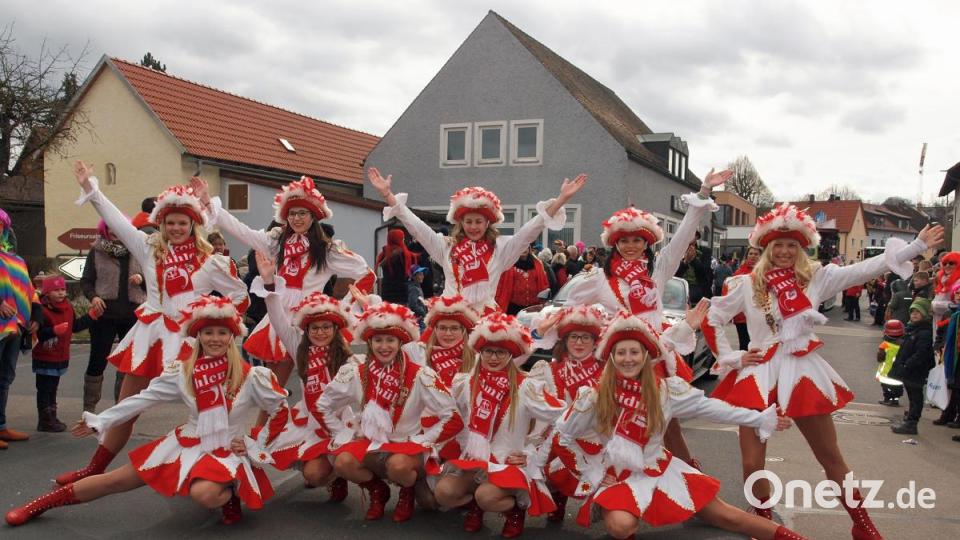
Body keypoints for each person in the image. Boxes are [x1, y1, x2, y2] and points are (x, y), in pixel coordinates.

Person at [704, 203, 942, 538]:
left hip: (802, 374)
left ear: (801, 248)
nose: (785, 251)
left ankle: (862, 525)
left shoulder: (816, 277)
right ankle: (762, 519)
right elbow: (712, 317)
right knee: (751, 464)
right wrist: (732, 357)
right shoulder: (745, 284)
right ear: (766, 248)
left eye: (792, 245)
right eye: (778, 245)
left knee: (830, 457)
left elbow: (864, 270)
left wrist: (916, 246)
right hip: (758, 376)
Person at [5, 295, 290, 527]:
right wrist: (102, 420)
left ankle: (228, 494)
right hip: (186, 443)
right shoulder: (183, 373)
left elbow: (280, 411)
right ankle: (37, 506)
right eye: (208, 332)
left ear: (232, 337)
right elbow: (142, 399)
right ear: (198, 336)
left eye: (222, 332)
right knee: (115, 480)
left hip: (228, 449)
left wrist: (254, 444)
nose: (215, 338)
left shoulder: (253, 377)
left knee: (205, 494)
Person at [55, 161, 249, 485]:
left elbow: (240, 296)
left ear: (193, 224)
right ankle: (94, 469)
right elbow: (116, 219)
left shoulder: (210, 261)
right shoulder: (148, 249)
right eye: (170, 222)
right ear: (161, 223)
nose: (176, 228)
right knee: (127, 406)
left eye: (182, 222)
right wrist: (92, 190)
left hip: (190, 341)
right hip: (149, 335)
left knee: (207, 406)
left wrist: (213, 321)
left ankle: (219, 470)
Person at [556, 311, 800, 540]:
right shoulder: (596, 395)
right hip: (618, 477)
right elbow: (563, 436)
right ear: (611, 357)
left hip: (659, 469)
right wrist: (593, 475)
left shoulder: (665, 391)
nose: (628, 359)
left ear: (646, 356)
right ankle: (627, 507)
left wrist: (760, 418)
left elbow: (714, 409)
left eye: (634, 352)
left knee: (727, 516)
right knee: (620, 526)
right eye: (621, 353)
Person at [560, 168, 732, 467]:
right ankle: (610, 481)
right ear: (614, 244)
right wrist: (594, 328)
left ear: (646, 243)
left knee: (667, 421)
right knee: (612, 421)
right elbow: (570, 308)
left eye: (637, 240)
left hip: (653, 359)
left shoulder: (658, 270)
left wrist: (703, 193)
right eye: (624, 241)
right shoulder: (600, 279)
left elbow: (681, 238)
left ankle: (685, 472)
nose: (630, 246)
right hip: (619, 361)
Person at [190, 175, 375, 386]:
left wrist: (343, 309)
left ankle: (318, 416)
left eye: (302, 213)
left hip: (310, 321)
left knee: (321, 382)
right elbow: (243, 232)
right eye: (292, 214)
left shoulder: (327, 250)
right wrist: (206, 202)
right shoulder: (278, 242)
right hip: (279, 316)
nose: (297, 218)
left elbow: (365, 272)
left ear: (313, 215)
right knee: (274, 384)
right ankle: (268, 419)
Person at [368, 167, 587, 312]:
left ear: (488, 223)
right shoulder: (446, 247)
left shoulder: (501, 249)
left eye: (478, 221)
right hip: (450, 319)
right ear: (460, 222)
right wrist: (388, 196)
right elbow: (417, 229)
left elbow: (531, 229)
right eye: (468, 221)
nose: (473, 227)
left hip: (484, 320)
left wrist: (561, 199)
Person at [317, 302, 461, 523]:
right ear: (370, 343)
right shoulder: (356, 373)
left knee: (402, 471)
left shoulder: (420, 375)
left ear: (400, 342)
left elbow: (452, 415)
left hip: (407, 447)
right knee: (343, 462)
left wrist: (425, 439)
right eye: (378, 340)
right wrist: (342, 432)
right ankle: (378, 491)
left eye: (390, 340)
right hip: (372, 444)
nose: (384, 346)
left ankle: (407, 490)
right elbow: (323, 405)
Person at [433, 312, 566, 537]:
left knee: (487, 496)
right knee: (443, 493)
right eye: (488, 351)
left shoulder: (525, 386)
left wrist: (531, 452)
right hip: (474, 459)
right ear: (480, 352)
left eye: (501, 352)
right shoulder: (467, 383)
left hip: (506, 461)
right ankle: (475, 504)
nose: (493, 358)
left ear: (511, 354)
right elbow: (449, 412)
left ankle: (514, 510)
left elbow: (561, 417)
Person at [253, 251, 355, 500]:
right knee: (313, 474)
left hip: (342, 421)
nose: (320, 332)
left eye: (326, 327)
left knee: (345, 461)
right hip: (309, 420)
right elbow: (277, 317)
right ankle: (330, 472)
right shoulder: (298, 345)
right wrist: (269, 284)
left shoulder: (347, 355)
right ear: (306, 329)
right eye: (314, 327)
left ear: (335, 328)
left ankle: (344, 472)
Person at [528, 305, 606, 523]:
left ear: (595, 341)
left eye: (585, 337)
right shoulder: (548, 370)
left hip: (597, 438)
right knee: (539, 463)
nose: (579, 343)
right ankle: (557, 497)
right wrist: (539, 333)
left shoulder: (608, 369)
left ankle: (603, 502)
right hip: (559, 438)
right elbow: (514, 356)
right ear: (564, 340)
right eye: (573, 337)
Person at [80, 219, 145, 412]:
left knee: (126, 363)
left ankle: (121, 408)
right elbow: (86, 281)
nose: (116, 231)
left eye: (119, 227)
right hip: (104, 314)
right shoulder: (97, 251)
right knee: (97, 360)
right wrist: (93, 297)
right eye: (111, 228)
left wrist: (141, 279)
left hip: (132, 314)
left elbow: (155, 281)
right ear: (105, 231)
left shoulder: (138, 251)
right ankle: (89, 409)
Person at [32, 275, 99, 431]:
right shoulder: (41, 310)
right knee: (45, 389)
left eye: (63, 289)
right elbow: (37, 334)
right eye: (56, 290)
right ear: (47, 293)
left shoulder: (67, 307)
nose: (61, 293)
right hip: (45, 356)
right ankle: (45, 420)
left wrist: (91, 317)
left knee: (52, 389)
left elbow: (74, 326)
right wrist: (53, 331)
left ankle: (51, 416)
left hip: (60, 357)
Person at [0, 208, 41, 450]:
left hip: (15, 326)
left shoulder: (15, 260)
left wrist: (36, 312)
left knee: (5, 377)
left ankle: (1, 425)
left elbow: (27, 288)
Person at [889, 298, 935, 435]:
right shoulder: (912, 329)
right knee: (912, 396)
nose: (914, 314)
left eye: (918, 312)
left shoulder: (924, 332)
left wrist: (907, 364)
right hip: (909, 370)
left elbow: (921, 353)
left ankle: (912, 423)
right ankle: (910, 420)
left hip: (915, 370)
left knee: (916, 397)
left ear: (924, 314)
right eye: (912, 312)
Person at [494, 246, 551, 315]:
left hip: (534, 307)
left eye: (526, 247)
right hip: (514, 307)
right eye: (521, 247)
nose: (523, 249)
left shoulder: (537, 264)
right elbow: (502, 284)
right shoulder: (509, 264)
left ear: (529, 249)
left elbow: (543, 282)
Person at [725, 246, 761, 350]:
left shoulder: (765, 272)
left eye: (756, 254)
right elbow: (732, 295)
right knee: (744, 345)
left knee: (758, 345)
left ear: (760, 256)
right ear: (746, 256)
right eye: (751, 254)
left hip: (759, 314)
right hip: (742, 317)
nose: (753, 256)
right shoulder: (739, 273)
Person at [377, 228, 418, 305]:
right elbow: (414, 256)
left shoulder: (384, 253)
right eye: (402, 238)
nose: (404, 240)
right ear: (398, 239)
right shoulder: (402, 254)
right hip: (400, 294)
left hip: (386, 292)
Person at [675, 231, 714, 304]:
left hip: (698, 292)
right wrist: (685, 262)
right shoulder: (678, 251)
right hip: (680, 290)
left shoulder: (705, 251)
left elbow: (705, 274)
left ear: (696, 237)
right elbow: (675, 274)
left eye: (691, 235)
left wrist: (693, 260)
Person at [875, 319, 905, 407]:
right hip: (899, 370)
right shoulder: (904, 344)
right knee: (897, 386)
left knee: (886, 386)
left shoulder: (884, 345)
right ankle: (895, 400)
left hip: (886, 370)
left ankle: (887, 398)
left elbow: (880, 358)